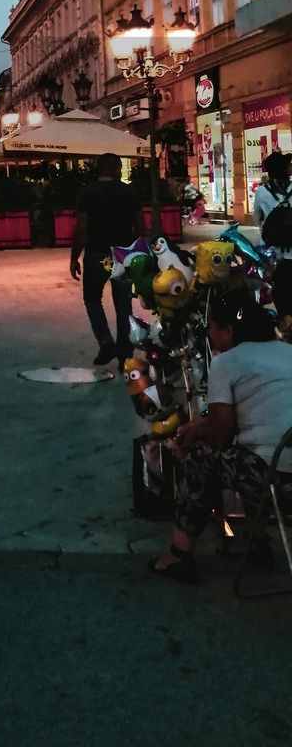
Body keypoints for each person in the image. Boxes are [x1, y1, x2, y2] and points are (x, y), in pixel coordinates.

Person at [149, 292, 292, 583]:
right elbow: (251, 415)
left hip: (279, 478)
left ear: (228, 331)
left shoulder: (228, 362)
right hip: (278, 467)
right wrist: (199, 426)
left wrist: (193, 436)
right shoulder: (288, 352)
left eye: (212, 326)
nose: (209, 333)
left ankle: (179, 554)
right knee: (254, 454)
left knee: (203, 458)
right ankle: (257, 544)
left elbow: (222, 435)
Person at [70, 153, 144, 366]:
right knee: (123, 306)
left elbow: (81, 230)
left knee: (92, 299)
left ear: (98, 169)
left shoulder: (87, 193)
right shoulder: (129, 192)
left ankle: (105, 341)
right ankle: (126, 355)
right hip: (123, 256)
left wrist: (74, 258)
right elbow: (141, 228)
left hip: (96, 255)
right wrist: (140, 256)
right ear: (118, 168)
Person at [253, 151, 292, 334]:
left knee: (278, 287)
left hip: (272, 253)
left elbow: (257, 219)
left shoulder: (261, 192)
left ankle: (285, 321)